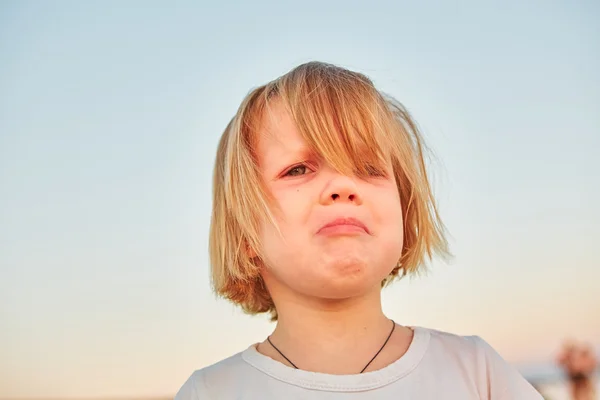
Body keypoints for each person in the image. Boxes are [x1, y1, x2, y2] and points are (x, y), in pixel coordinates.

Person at [175, 61, 542, 399]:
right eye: (299, 169)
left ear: (405, 209)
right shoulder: (210, 392)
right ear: (245, 237)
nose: (342, 186)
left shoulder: (477, 373)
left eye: (369, 168)